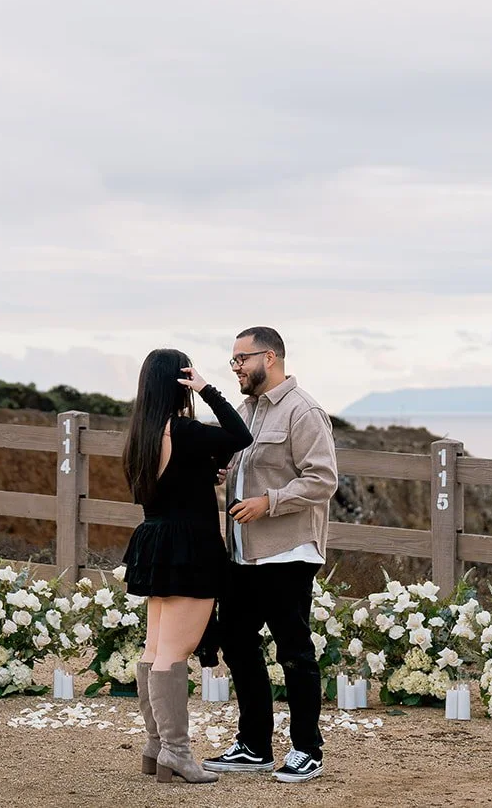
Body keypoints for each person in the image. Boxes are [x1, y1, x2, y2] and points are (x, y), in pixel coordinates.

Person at [205, 326, 338, 784]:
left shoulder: (305, 411)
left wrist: (269, 502)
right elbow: (244, 471)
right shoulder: (246, 411)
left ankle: (308, 750)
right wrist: (225, 473)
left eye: (241, 359)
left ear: (271, 357)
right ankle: (255, 745)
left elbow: (322, 480)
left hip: (288, 551)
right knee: (238, 644)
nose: (236, 367)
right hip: (243, 553)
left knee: (295, 652)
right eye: (233, 360)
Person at [121, 348, 252, 784]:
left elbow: (169, 484)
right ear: (180, 381)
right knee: (172, 655)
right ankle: (176, 752)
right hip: (190, 548)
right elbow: (240, 434)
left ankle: (156, 748)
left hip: (155, 541)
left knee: (155, 649)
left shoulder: (140, 436)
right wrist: (208, 389)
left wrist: (204, 473)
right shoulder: (186, 430)